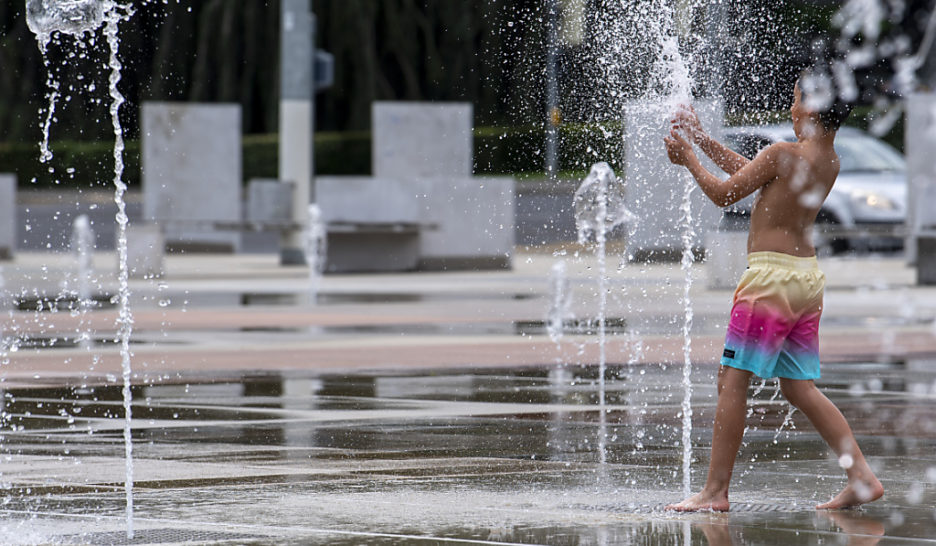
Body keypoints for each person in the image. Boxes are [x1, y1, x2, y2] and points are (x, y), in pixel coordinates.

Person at [661, 79, 884, 512]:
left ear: (813, 109)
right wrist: (702, 138)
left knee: (732, 380)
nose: (791, 106)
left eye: (797, 98)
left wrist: (689, 158)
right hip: (805, 280)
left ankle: (715, 492)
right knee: (799, 387)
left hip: (769, 282)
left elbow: (725, 194)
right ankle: (861, 476)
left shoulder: (784, 153)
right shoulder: (828, 160)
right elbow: (756, 174)